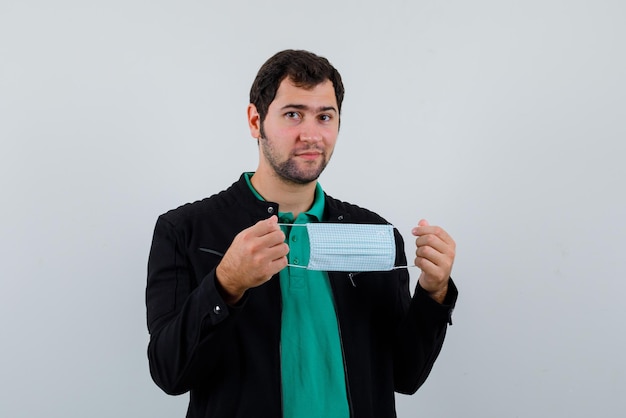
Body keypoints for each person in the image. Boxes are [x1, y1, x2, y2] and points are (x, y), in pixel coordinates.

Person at [146, 49, 458, 418]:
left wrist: (433, 293)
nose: (311, 134)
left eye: (325, 116)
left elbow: (405, 375)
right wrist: (226, 283)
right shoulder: (185, 230)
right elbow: (169, 373)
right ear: (254, 120)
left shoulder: (375, 234)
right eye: (293, 114)